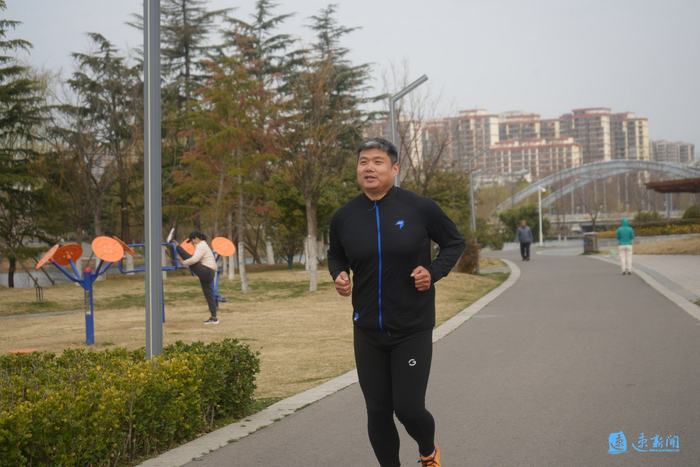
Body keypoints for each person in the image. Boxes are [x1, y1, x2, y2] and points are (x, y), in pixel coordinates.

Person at [328, 137, 466, 467]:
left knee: (408, 409)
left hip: (411, 327)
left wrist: (433, 272)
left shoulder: (420, 208)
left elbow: (454, 242)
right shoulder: (344, 216)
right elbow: (336, 255)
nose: (369, 168)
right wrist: (339, 274)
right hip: (367, 330)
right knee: (377, 410)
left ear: (395, 168)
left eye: (377, 161)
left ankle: (428, 451)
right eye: (363, 162)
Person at [170, 230, 219, 324]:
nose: (191, 243)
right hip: (208, 273)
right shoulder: (201, 245)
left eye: (191, 241)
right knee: (208, 295)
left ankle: (174, 242)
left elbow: (194, 259)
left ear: (196, 238)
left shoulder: (201, 245)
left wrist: (184, 263)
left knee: (191, 261)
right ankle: (214, 317)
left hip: (207, 271)